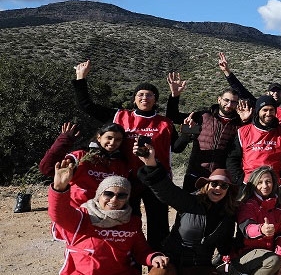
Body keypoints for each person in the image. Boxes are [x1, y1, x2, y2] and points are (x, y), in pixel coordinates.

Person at [72, 59, 176, 250]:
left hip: (158, 179)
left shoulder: (164, 123)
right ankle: (129, 264)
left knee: (159, 224)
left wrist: (186, 131)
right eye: (141, 94)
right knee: (128, 222)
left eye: (150, 94)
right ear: (134, 98)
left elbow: (176, 146)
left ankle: (159, 264)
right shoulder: (120, 116)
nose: (145, 97)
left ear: (155, 99)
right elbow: (87, 106)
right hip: (127, 179)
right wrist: (80, 79)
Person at [136, 145, 237, 275]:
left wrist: (237, 253)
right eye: (214, 184)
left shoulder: (227, 216)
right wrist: (151, 163)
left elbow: (225, 245)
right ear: (207, 185)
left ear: (228, 191)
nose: (218, 188)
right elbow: (166, 190)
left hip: (199, 266)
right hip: (171, 262)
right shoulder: (190, 202)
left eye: (223, 186)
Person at [166, 73, 247, 190]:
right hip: (195, 173)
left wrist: (246, 121)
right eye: (226, 100)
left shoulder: (239, 124)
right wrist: (175, 96)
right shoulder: (203, 116)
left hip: (221, 178)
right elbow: (172, 116)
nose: (229, 104)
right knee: (189, 207)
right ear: (219, 99)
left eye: (234, 102)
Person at [233, 166, 281, 275]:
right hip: (245, 254)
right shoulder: (248, 204)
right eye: (260, 182)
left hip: (270, 255)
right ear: (253, 184)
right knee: (272, 260)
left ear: (274, 183)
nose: (265, 186)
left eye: (268, 182)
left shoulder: (279, 207)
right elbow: (246, 229)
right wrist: (261, 229)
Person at [39, 122, 130, 208]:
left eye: (118, 140)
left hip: (106, 214)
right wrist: (63, 141)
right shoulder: (81, 156)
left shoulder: (121, 163)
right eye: (109, 138)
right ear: (99, 137)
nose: (113, 142)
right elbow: (47, 168)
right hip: (78, 211)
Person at [226, 95, 281, 185]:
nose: (268, 113)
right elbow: (232, 159)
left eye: (271, 110)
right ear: (258, 111)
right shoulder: (243, 132)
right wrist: (240, 180)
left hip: (274, 184)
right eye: (265, 110)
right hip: (249, 183)